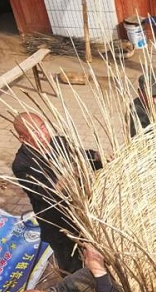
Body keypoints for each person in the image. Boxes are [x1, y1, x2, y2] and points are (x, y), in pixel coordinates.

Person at [12, 113, 101, 274]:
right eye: (35, 132)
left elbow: (82, 156)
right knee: (72, 267)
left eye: (43, 127)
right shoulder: (22, 164)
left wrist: (97, 157)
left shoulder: (60, 142)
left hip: (84, 213)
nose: (42, 134)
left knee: (96, 257)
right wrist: (69, 174)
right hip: (59, 224)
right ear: (23, 139)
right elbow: (45, 191)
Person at [129, 72, 156, 137]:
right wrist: (155, 114)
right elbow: (140, 136)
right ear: (140, 93)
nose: (155, 98)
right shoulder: (135, 108)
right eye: (152, 95)